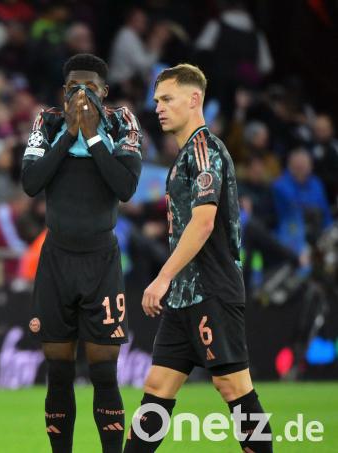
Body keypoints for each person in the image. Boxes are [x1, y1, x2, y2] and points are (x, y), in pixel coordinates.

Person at [124, 64, 272, 452]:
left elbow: (204, 223)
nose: (158, 107)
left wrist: (162, 277)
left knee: (233, 387)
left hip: (211, 289)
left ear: (194, 99)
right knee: (158, 387)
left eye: (167, 99)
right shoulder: (185, 155)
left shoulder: (205, 149)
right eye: (156, 100)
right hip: (184, 296)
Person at [21, 53, 143, 452]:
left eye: (90, 87)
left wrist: (91, 136)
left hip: (101, 261)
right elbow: (31, 182)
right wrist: (70, 134)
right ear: (63, 91)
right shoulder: (48, 121)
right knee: (58, 372)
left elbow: (125, 187)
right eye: (74, 86)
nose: (81, 94)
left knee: (104, 373)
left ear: (104, 92)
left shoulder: (122, 122)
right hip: (56, 260)